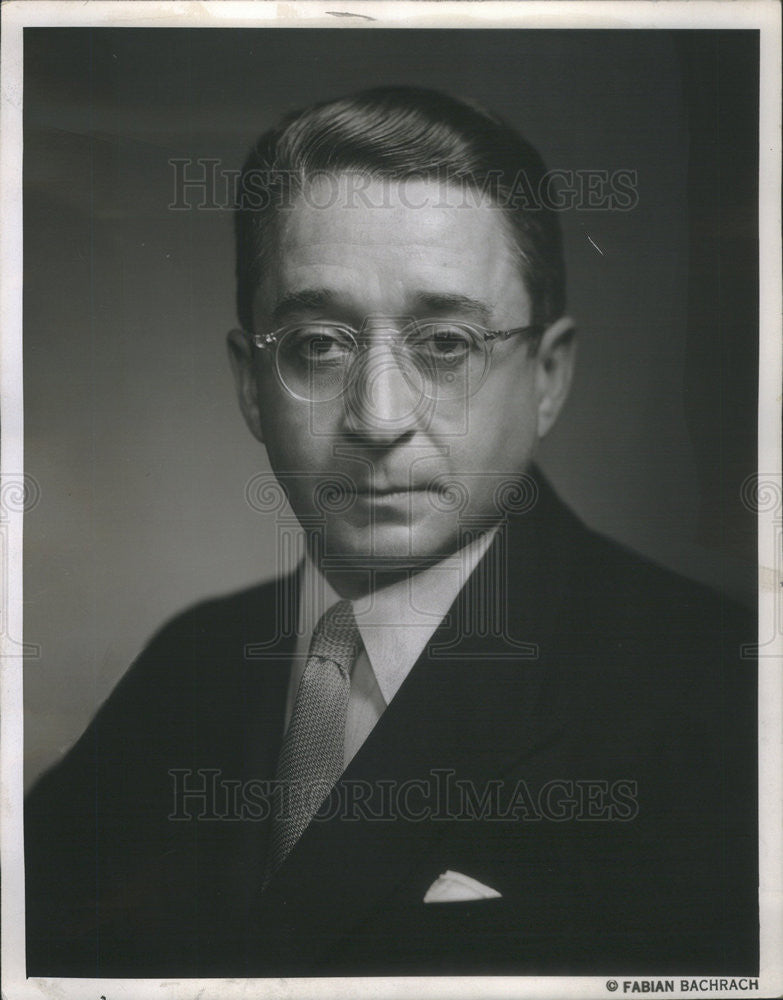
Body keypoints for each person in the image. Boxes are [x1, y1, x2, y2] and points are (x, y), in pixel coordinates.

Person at [25, 86, 757, 978]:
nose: (378, 417)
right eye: (318, 345)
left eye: (445, 343)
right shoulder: (191, 663)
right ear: (251, 385)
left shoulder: (720, 698)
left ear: (547, 378)